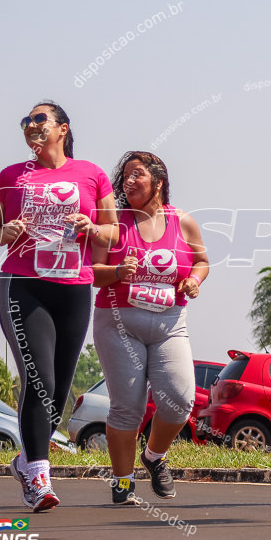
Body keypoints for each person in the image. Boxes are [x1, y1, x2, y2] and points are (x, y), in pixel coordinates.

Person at [0, 102, 117, 512]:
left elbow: (113, 231)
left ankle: (23, 462)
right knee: (37, 376)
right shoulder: (11, 176)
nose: (31, 126)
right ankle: (39, 475)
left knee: (58, 387)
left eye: (40, 119)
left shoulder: (91, 174)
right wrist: (6, 231)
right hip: (24, 285)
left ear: (62, 129)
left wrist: (92, 228)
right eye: (26, 122)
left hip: (74, 287)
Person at [91, 151, 208, 505]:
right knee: (127, 406)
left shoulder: (182, 221)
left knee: (179, 401)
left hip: (170, 323)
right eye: (124, 176)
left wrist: (194, 280)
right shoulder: (112, 224)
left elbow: (202, 260)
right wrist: (116, 273)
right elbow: (92, 273)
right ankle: (123, 480)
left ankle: (155, 456)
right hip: (118, 323)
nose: (128, 181)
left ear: (158, 180)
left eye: (137, 174)